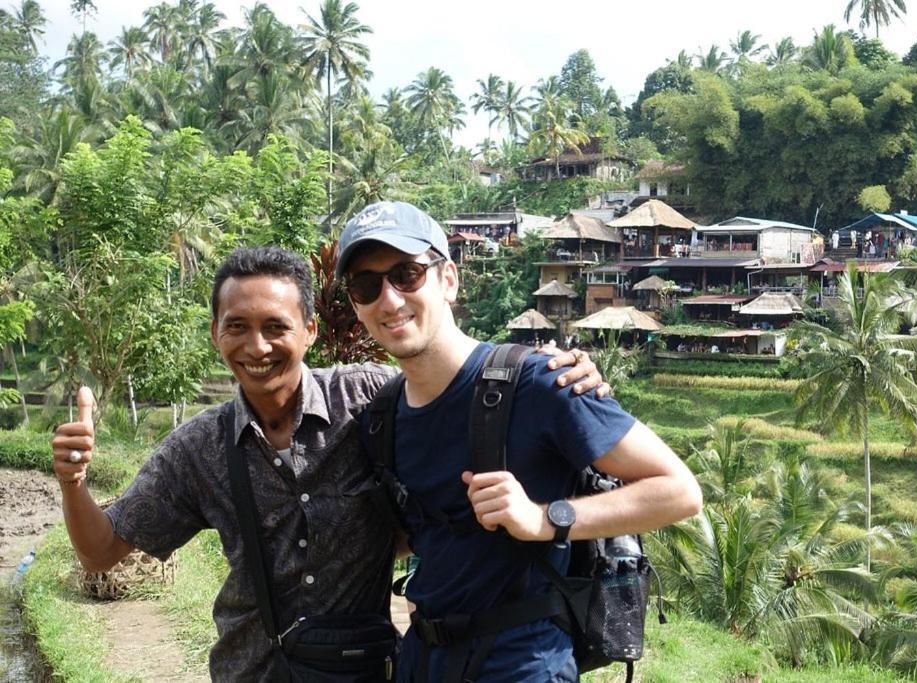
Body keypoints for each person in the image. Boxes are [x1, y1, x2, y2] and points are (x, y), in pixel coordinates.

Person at [50, 246, 604, 681]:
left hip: (364, 668)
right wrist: (73, 484)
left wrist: (549, 373)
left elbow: (460, 383)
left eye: (275, 327)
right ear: (216, 332)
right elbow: (102, 552)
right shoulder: (196, 448)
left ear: (310, 331)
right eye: (236, 326)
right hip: (252, 672)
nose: (256, 346)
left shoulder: (370, 398)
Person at [336, 201, 703, 683]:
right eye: (367, 284)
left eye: (406, 274)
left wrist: (544, 517)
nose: (388, 299)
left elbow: (679, 492)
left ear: (448, 279)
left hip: (521, 662)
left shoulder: (540, 382)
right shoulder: (380, 418)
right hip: (422, 658)